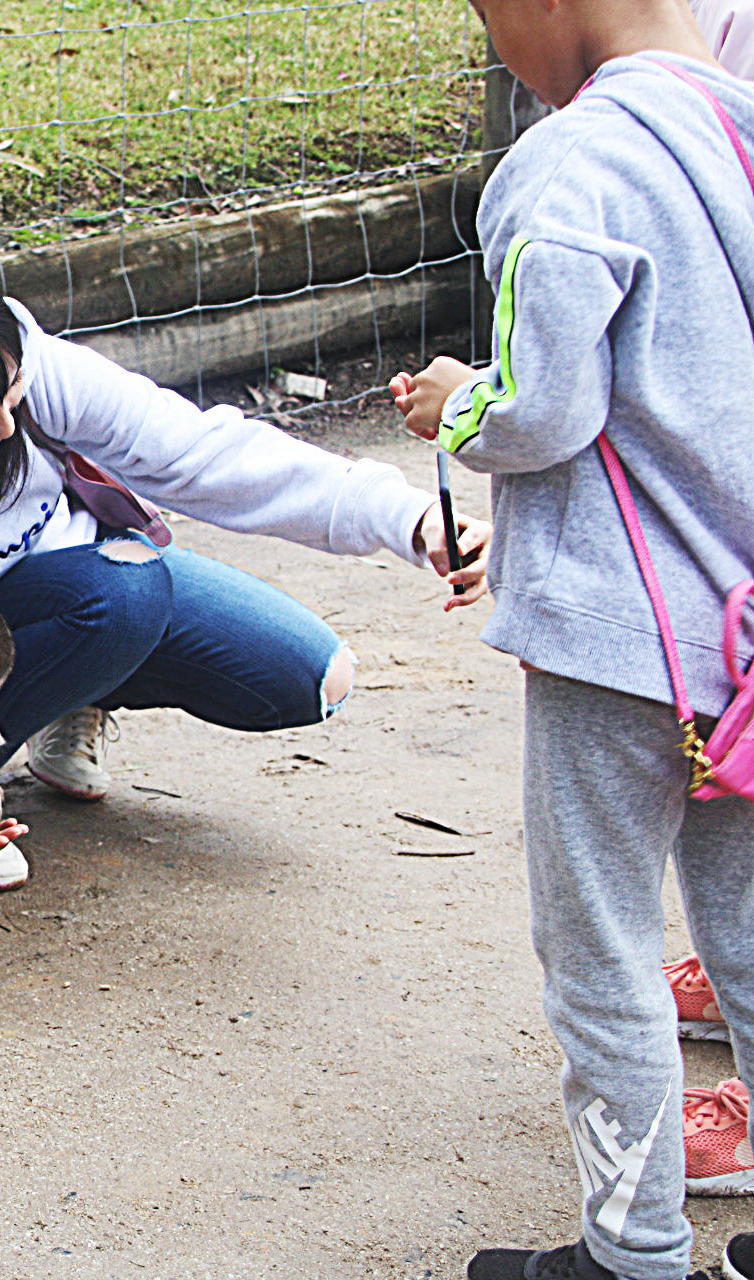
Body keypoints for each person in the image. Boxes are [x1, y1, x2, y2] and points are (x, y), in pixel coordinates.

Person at [0, 249, 489, 892]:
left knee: (307, 675)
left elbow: (200, 453)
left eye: (12, 397)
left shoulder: (13, 371)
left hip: (61, 595)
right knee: (124, 596)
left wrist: (408, 520)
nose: (5, 428)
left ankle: (68, 698)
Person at [389, 0, 754, 1273]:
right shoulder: (742, 130)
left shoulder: (568, 162)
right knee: (750, 929)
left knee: (599, 948)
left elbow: (540, 407)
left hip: (620, 643)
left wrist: (453, 404)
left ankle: (630, 1247)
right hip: (746, 635)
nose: (502, 48)